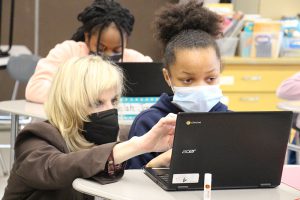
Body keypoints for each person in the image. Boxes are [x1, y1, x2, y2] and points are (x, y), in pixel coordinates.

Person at [3, 56, 176, 200]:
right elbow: (57, 168)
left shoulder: (120, 136)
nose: (110, 109)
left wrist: (159, 161)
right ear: (70, 103)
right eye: (97, 102)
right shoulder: (37, 137)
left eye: (114, 101)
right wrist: (140, 145)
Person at [126, 1, 229, 169]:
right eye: (188, 80)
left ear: (220, 71)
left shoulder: (231, 122)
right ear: (168, 77)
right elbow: (131, 187)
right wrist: (159, 163)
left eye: (210, 78)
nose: (200, 88)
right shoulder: (150, 123)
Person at [26, 0, 152, 104]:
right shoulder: (68, 52)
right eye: (101, 48)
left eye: (117, 50)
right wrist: (83, 97)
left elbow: (155, 88)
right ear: (87, 37)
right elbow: (35, 88)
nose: (108, 55)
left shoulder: (136, 60)